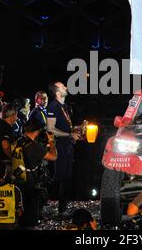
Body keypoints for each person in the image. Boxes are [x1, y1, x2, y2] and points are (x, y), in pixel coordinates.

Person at [47, 82, 81, 215]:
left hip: (67, 145)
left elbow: (64, 126)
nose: (66, 87)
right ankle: (49, 204)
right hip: (59, 146)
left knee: (66, 177)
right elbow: (50, 129)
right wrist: (69, 134)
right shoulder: (53, 106)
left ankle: (63, 207)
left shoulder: (64, 107)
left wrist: (75, 130)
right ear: (57, 93)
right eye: (62, 87)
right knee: (59, 177)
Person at [16, 118, 57, 227]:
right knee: (32, 202)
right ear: (36, 131)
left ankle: (22, 221)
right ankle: (30, 222)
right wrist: (52, 141)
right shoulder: (35, 146)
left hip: (19, 175)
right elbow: (53, 157)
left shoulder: (19, 140)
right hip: (30, 178)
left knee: (22, 201)